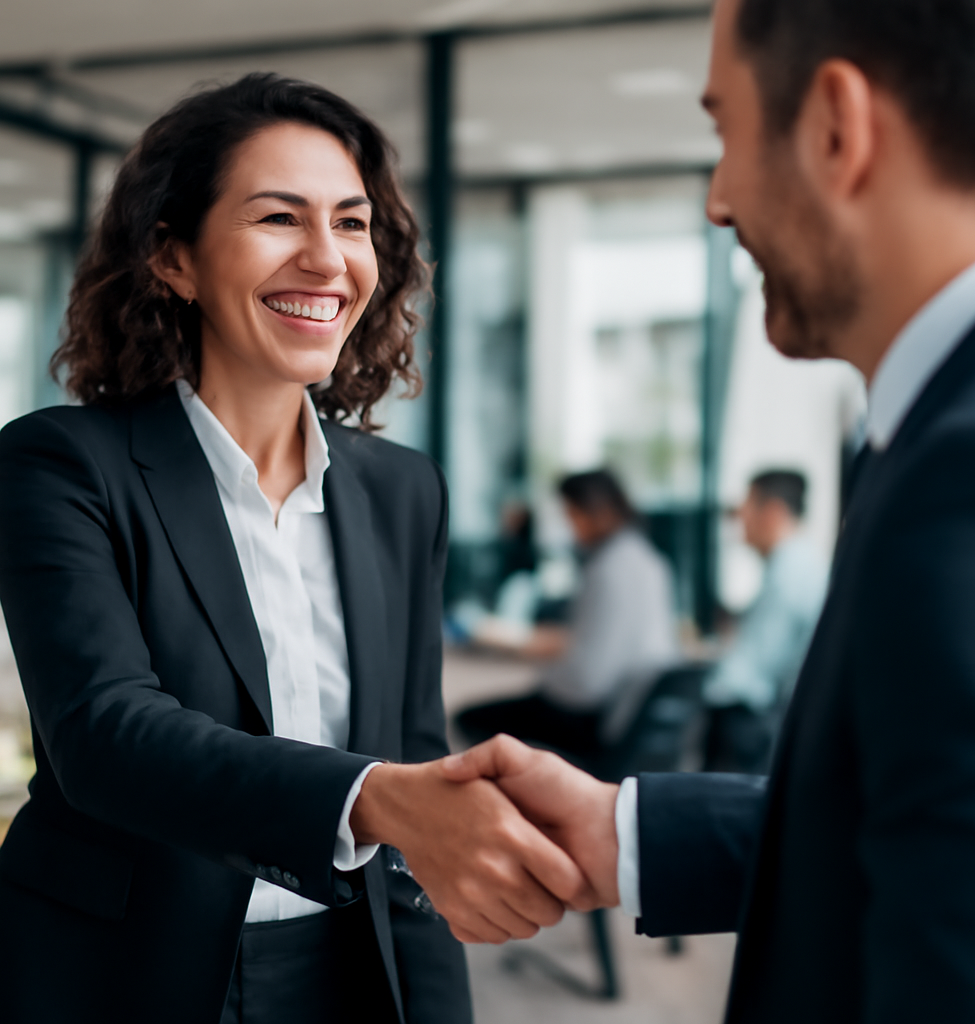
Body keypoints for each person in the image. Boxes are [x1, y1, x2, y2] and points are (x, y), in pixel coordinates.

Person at [443, 0, 975, 1019]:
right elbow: (920, 831)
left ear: (836, 126)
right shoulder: (952, 422)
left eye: (726, 132)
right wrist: (626, 834)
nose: (718, 201)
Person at [0, 74, 587, 1024]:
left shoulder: (403, 491)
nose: (326, 258)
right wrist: (375, 799)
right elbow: (104, 737)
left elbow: (415, 769)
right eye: (279, 218)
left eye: (351, 223)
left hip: (344, 969)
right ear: (173, 258)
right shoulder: (62, 463)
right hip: (120, 973)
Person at [457, 470, 679, 758]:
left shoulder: (607, 569)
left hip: (599, 714)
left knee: (474, 719)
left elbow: (584, 683)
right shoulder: (652, 562)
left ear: (593, 511)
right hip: (632, 709)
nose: (569, 526)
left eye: (571, 515)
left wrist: (543, 676)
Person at [702, 469, 828, 771]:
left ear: (772, 512)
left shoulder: (790, 573)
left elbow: (747, 676)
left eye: (745, 509)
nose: (738, 521)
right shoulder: (797, 564)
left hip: (752, 728)